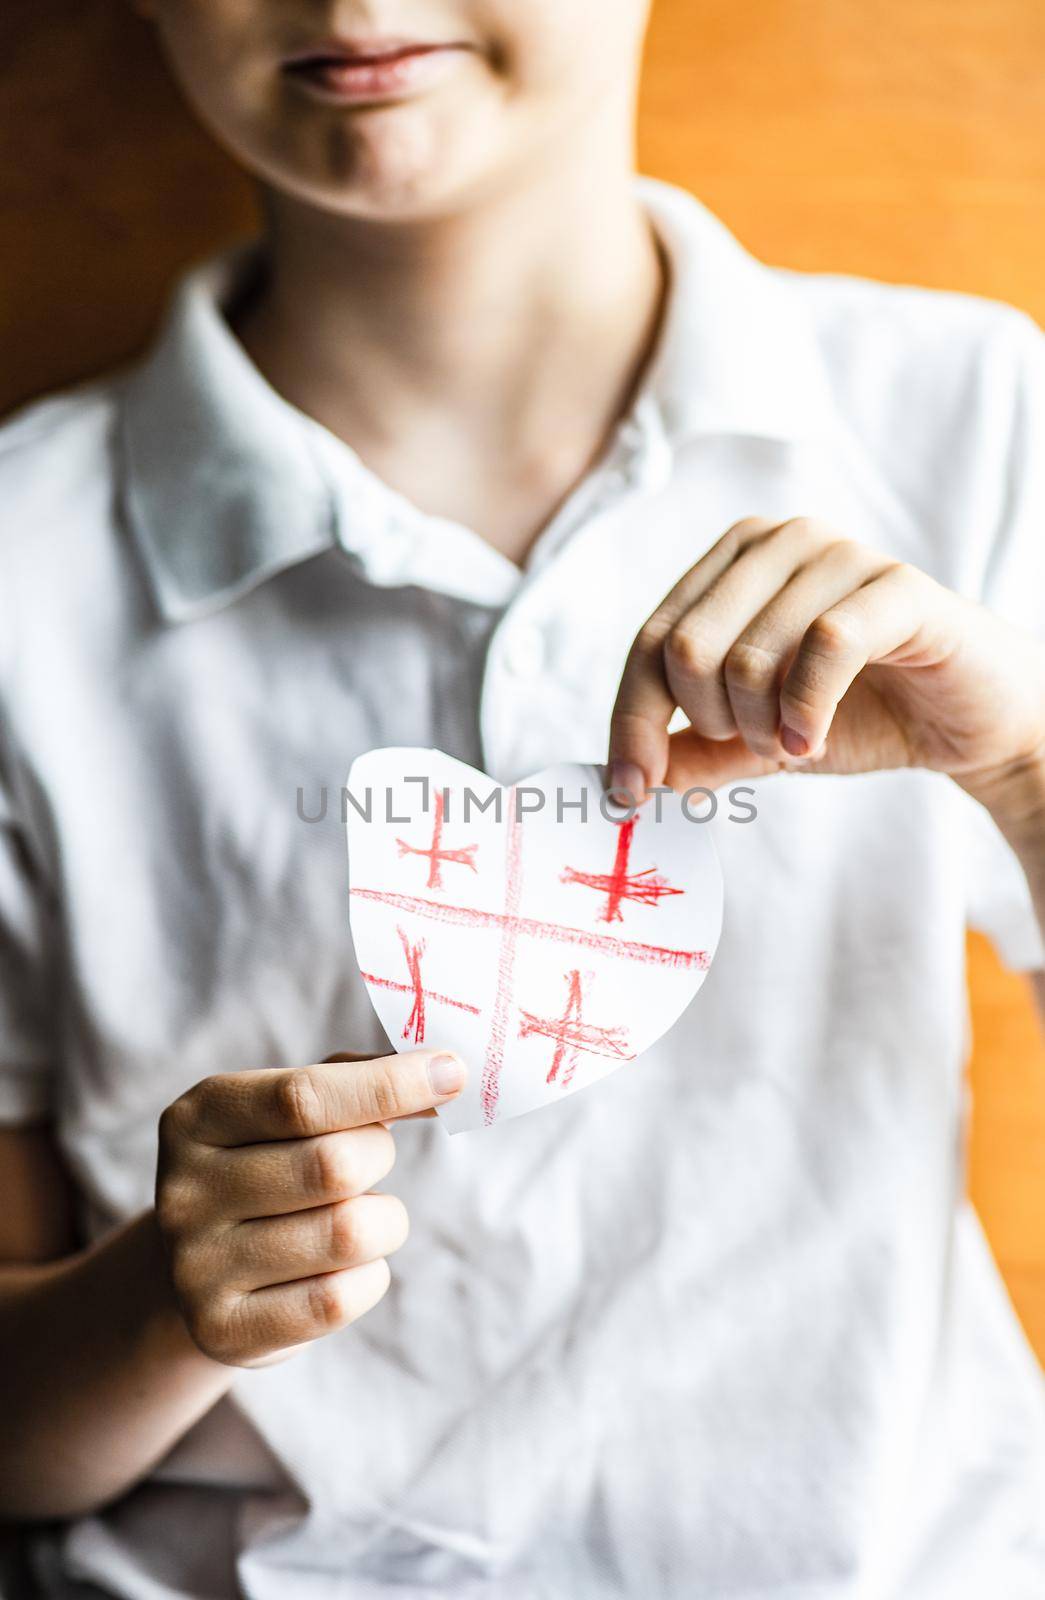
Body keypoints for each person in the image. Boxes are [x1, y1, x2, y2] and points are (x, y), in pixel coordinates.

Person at [1, 1, 1043, 1595]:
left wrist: (1019, 766)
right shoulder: (27, 566)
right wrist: (162, 1295)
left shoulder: (969, 419)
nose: (350, 4)